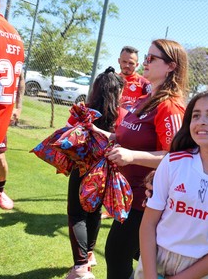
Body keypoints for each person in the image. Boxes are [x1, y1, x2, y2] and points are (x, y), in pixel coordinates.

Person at [92, 39, 189, 279]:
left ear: (171, 66)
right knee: (132, 257)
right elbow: (127, 136)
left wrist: (131, 156)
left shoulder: (170, 106)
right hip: (128, 198)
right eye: (146, 57)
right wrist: (99, 133)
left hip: (147, 201)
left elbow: (177, 156)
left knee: (116, 253)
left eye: (151, 59)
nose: (145, 62)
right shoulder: (144, 100)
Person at [136, 89, 208, 279]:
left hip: (200, 269)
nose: (201, 121)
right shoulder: (173, 162)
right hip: (155, 260)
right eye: (196, 115)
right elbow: (148, 224)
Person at [65, 67, 127, 279]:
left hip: (81, 168)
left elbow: (67, 135)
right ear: (117, 93)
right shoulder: (124, 116)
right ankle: (88, 255)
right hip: (107, 171)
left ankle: (81, 267)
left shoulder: (84, 111)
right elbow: (123, 139)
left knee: (76, 214)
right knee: (94, 212)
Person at [0, 0, 25, 210]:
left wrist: (19, 105)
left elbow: (21, 79)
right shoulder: (14, 33)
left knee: (0, 158)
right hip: (1, 117)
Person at [117, 45, 151, 111]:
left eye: (131, 63)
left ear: (137, 65)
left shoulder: (144, 83)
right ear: (119, 61)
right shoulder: (113, 80)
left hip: (132, 120)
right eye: (124, 62)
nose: (127, 65)